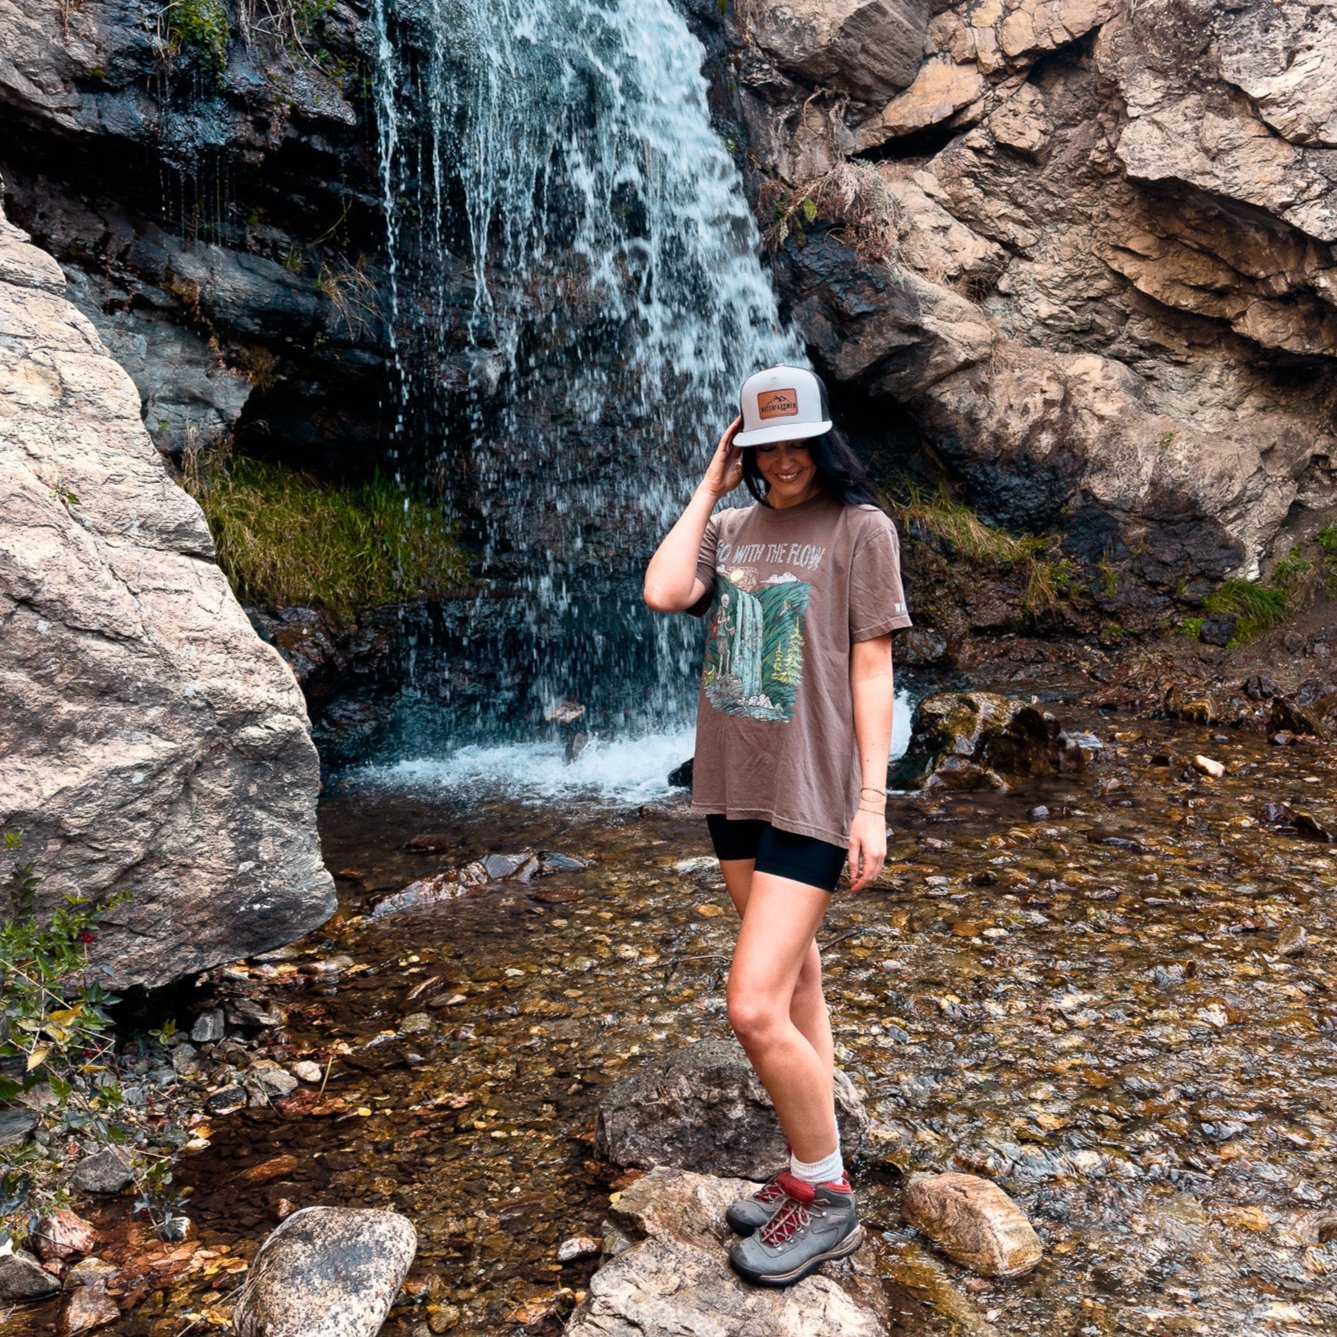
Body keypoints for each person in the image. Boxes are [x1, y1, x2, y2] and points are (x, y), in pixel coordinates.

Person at [643, 364, 912, 1287]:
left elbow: (872, 671)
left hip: (811, 792)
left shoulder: (860, 530)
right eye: (765, 444)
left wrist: (870, 805)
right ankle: (807, 1163)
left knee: (752, 1004)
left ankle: (827, 1194)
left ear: (823, 440)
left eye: (798, 440)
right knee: (796, 978)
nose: (784, 458)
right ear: (745, 447)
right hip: (732, 785)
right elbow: (664, 592)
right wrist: (707, 485)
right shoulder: (729, 525)